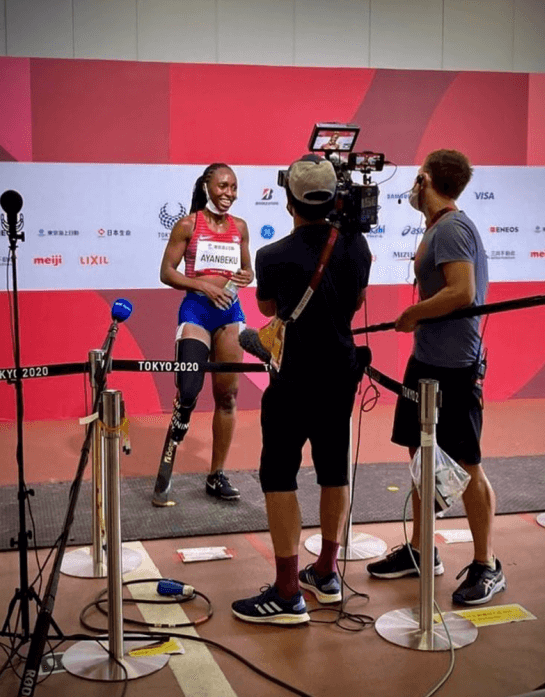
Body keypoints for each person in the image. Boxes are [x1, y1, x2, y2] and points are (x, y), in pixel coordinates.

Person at [232, 154, 372, 625]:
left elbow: (272, 308)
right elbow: (354, 304)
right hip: (340, 376)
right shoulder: (358, 248)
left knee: (279, 475)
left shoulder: (272, 257)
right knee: (334, 470)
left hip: (292, 380)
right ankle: (327, 573)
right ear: (335, 198)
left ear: (289, 202)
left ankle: (288, 592)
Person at [366, 149, 506, 606]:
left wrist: (413, 313)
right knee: (422, 456)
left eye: (415, 178)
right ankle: (422, 552)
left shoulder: (451, 228)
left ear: (425, 179)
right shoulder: (439, 227)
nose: (411, 185)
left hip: (455, 369)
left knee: (466, 464)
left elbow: (462, 292)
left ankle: (487, 565)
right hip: (426, 362)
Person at [153, 163, 253, 505]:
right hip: (196, 310)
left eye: (234, 187)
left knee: (227, 397)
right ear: (207, 186)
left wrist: (245, 276)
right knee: (189, 391)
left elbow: (248, 269)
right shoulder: (187, 224)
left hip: (230, 313)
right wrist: (202, 287)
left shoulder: (239, 227)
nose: (229, 193)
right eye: (223, 186)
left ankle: (216, 475)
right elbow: (166, 272)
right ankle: (167, 465)